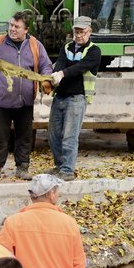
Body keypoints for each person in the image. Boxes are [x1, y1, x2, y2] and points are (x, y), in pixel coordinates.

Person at [0, 11, 53, 182]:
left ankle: (22, 168)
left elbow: (46, 66)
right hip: (0, 102)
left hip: (25, 102)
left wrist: (46, 80)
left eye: (17, 27)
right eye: (11, 25)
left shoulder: (35, 46)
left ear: (26, 29)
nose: (12, 29)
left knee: (24, 137)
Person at [48, 16, 101, 181]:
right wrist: (56, 72)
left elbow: (80, 67)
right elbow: (60, 64)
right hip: (60, 97)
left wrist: (62, 73)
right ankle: (59, 166)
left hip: (76, 99)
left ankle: (67, 170)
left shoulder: (94, 51)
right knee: (54, 135)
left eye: (82, 32)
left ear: (89, 32)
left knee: (69, 137)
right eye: (76, 32)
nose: (78, 35)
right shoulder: (67, 47)